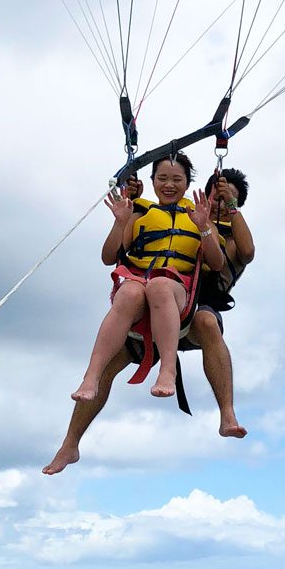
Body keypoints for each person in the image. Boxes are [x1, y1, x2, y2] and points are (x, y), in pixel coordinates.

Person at [43, 164, 255, 475]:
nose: (221, 203)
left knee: (207, 323)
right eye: (218, 195)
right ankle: (70, 443)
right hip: (151, 308)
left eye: (229, 200)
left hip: (193, 311)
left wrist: (224, 210)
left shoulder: (229, 235)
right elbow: (151, 217)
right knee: (108, 363)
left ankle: (227, 414)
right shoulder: (183, 213)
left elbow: (246, 252)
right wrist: (134, 202)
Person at [70, 152, 222, 403]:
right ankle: (91, 377)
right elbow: (108, 257)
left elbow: (216, 263)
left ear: (186, 183)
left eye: (177, 179)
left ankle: (167, 371)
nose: (169, 185)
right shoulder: (139, 214)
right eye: (162, 178)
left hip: (177, 289)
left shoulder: (199, 216)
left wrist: (204, 226)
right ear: (152, 181)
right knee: (129, 292)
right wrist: (120, 223)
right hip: (138, 285)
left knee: (160, 286)